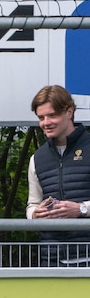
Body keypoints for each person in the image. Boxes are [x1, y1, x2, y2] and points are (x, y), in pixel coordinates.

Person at [24, 84, 90, 267]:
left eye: (52, 115)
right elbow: (32, 204)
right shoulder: (37, 158)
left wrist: (81, 209)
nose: (46, 122)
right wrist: (35, 214)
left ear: (69, 112)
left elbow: (80, 209)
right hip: (51, 261)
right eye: (41, 117)